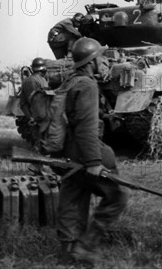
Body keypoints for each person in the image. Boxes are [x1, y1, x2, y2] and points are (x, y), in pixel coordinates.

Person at [57, 38, 129, 265]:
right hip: (84, 151)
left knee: (73, 195)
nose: (104, 60)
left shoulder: (71, 81)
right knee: (118, 195)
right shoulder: (87, 85)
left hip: (67, 150)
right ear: (91, 61)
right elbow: (86, 126)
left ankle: (68, 250)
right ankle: (87, 246)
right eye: (100, 57)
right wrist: (94, 161)